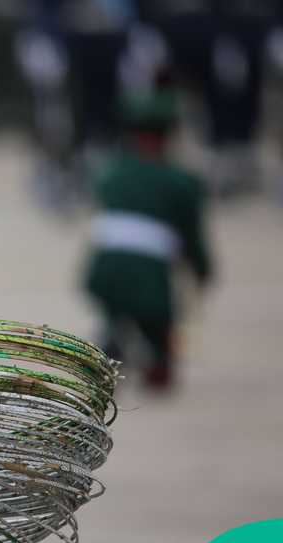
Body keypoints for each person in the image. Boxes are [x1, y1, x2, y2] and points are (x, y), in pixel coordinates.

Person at [84, 87, 211, 391]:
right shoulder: (181, 181)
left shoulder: (112, 174)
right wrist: (202, 269)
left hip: (103, 269)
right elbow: (192, 237)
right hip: (149, 275)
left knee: (116, 308)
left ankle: (114, 339)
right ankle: (157, 360)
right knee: (157, 325)